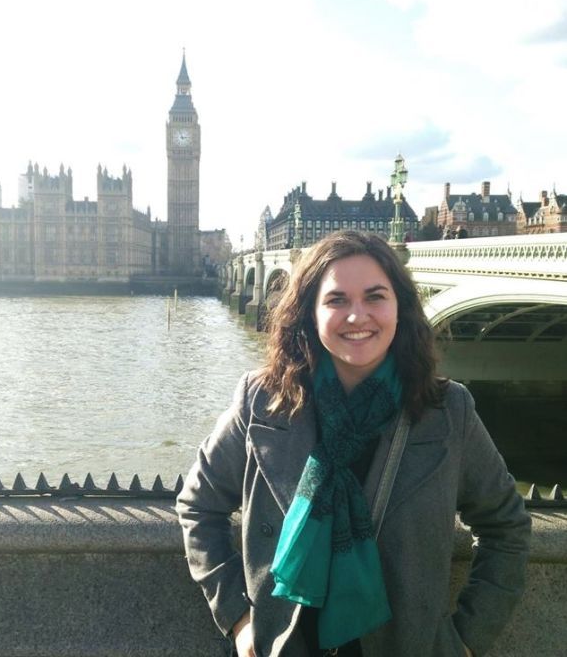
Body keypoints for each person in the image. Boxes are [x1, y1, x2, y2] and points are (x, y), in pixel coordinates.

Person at [177, 231, 530, 657]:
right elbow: (198, 505)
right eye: (337, 300)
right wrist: (238, 617)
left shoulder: (448, 410)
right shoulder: (262, 400)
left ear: (400, 307)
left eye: (375, 297)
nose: (356, 316)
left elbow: (505, 526)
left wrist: (467, 639)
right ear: (309, 313)